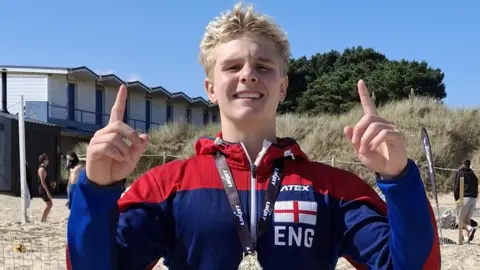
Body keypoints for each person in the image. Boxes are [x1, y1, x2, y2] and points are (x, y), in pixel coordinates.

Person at [67, 3, 440, 269]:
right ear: (210, 88)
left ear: (282, 87)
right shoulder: (167, 185)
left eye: (263, 66)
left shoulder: (331, 188)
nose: (248, 75)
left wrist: (399, 179)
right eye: (233, 66)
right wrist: (96, 190)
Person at [453, 159, 478, 243]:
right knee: (466, 220)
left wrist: (457, 198)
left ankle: (470, 228)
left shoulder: (460, 173)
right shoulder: (473, 174)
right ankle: (466, 239)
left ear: (462, 165)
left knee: (459, 220)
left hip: (464, 198)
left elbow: (456, 186)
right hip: (473, 198)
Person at [37, 153, 52, 222]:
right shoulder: (41, 169)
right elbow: (42, 182)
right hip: (42, 189)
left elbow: (45, 181)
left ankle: (44, 218)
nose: (48, 160)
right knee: (49, 204)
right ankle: (42, 219)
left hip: (44, 189)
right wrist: (47, 192)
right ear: (43, 160)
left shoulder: (44, 168)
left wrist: (51, 184)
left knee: (49, 204)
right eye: (46, 159)